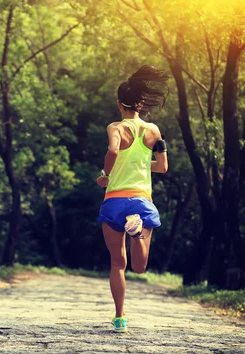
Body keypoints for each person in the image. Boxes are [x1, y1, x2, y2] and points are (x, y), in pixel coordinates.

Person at [95, 65, 169, 333]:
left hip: (114, 200)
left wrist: (105, 175)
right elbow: (162, 167)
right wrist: (139, 163)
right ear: (140, 103)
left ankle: (119, 318)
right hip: (141, 201)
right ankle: (136, 231)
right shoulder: (154, 130)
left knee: (118, 264)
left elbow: (113, 152)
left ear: (119, 104)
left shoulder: (115, 127)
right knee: (139, 267)